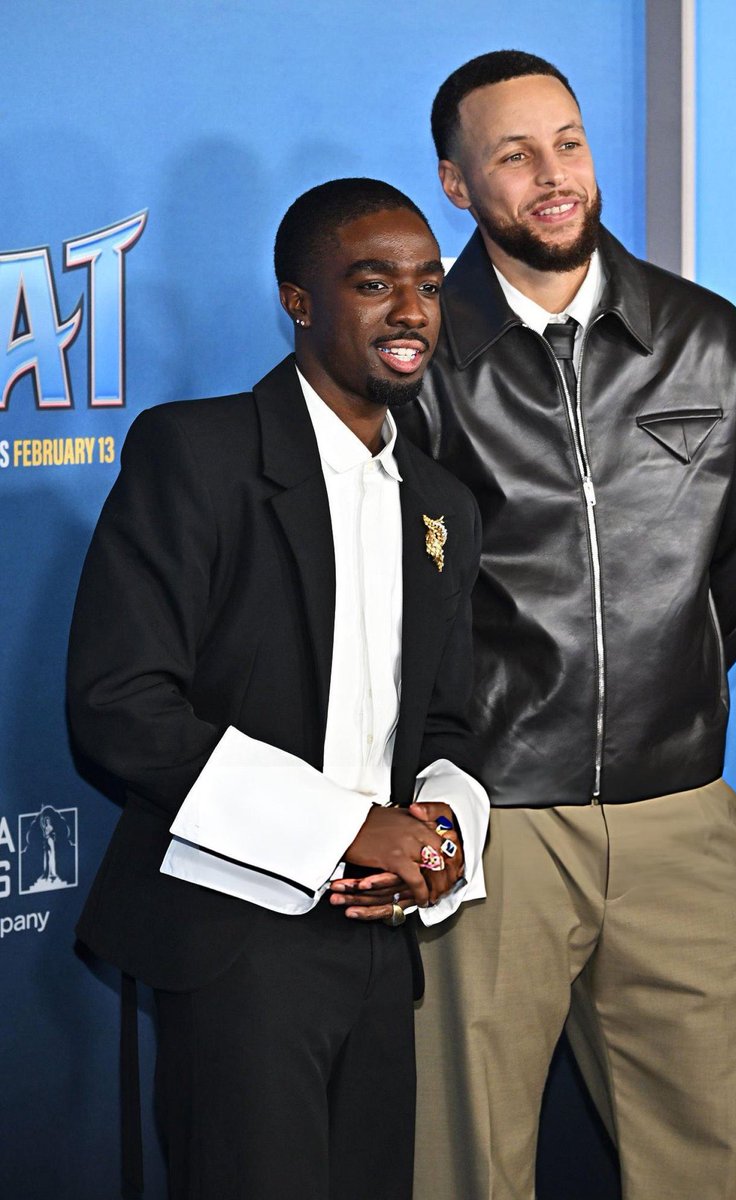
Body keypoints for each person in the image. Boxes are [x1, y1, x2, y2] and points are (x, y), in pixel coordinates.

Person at [397, 51, 736, 1200]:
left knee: (715, 1167)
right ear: (458, 186)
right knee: (460, 1171)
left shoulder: (709, 342)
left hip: (678, 815)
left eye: (566, 141)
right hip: (491, 820)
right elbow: (387, 602)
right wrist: (460, 760)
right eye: (512, 154)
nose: (552, 174)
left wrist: (663, 693)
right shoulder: (415, 362)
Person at [68, 177, 489, 1200]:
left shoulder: (440, 502)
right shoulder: (198, 455)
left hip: (383, 947)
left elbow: (448, 720)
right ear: (298, 301)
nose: (410, 311)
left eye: (428, 284)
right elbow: (121, 704)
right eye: (372, 282)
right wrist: (348, 824)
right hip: (235, 940)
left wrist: (437, 828)